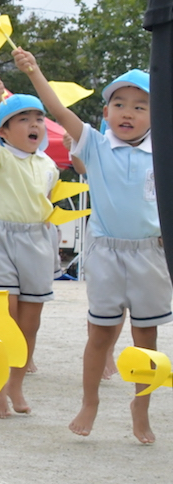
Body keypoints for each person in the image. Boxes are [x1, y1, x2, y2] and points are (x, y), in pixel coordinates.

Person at [15, 51, 170, 443]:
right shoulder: (96, 145)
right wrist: (34, 70)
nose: (127, 112)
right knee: (100, 335)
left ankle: (142, 405)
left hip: (149, 254)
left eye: (139, 106)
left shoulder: (162, 152)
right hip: (106, 253)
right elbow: (56, 108)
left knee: (145, 339)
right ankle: (90, 401)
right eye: (119, 104)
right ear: (106, 111)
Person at [0, 78, 59, 417]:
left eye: (37, 118)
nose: (34, 124)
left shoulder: (48, 165)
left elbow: (47, 202)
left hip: (37, 240)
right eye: (23, 119)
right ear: (4, 131)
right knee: (2, 319)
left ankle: (16, 384)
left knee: (29, 323)